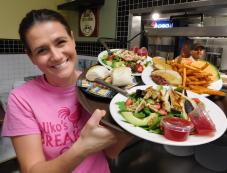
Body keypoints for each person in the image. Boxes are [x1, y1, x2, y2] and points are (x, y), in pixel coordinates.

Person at [1, 9, 132, 173]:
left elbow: (111, 152)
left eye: (60, 42)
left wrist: (130, 125)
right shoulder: (21, 99)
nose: (56, 56)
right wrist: (82, 148)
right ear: (31, 57)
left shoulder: (99, 86)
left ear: (72, 39)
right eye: (42, 50)